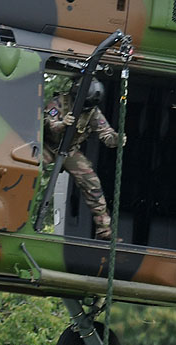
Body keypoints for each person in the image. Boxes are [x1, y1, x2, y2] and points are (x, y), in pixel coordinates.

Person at [43, 78, 125, 241]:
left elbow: (105, 133)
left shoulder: (92, 112)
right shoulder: (59, 102)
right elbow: (46, 123)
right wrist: (61, 124)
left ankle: (104, 230)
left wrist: (116, 139)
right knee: (30, 170)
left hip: (69, 150)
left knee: (92, 182)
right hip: (47, 145)